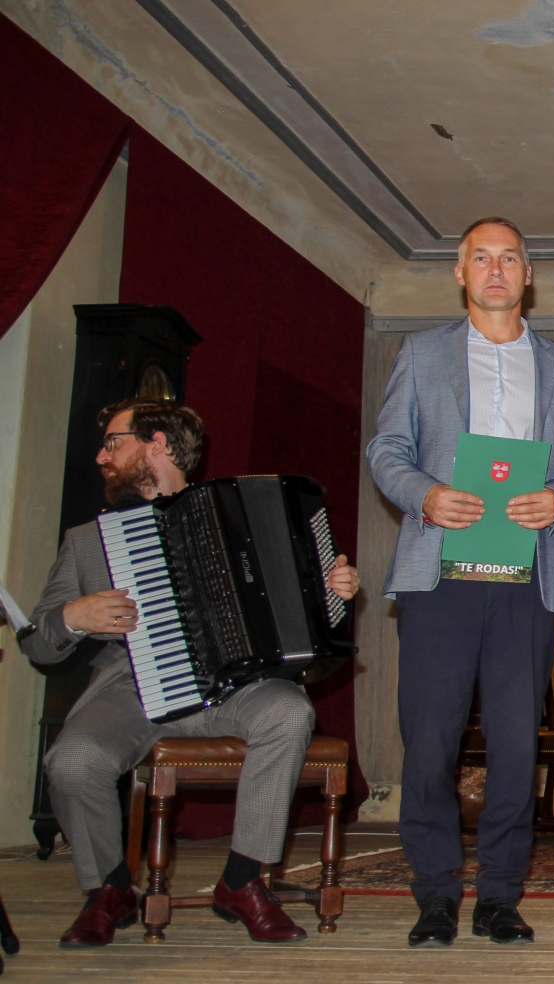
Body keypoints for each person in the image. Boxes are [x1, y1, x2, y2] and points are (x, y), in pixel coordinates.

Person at [26, 398, 359, 947]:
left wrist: (335, 595)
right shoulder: (86, 541)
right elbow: (40, 641)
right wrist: (72, 616)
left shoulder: (239, 517)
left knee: (288, 711)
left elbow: (312, 625)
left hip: (234, 686)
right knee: (72, 759)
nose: (101, 457)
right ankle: (109, 889)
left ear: (157, 444)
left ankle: (242, 880)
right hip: (131, 687)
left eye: (113, 443)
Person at [368, 217, 554, 947]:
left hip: (527, 578)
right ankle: (435, 895)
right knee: (429, 743)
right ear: (460, 273)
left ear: (528, 274)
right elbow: (387, 450)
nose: (495, 270)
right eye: (481, 258)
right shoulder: (421, 353)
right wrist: (426, 495)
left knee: (516, 747)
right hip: (440, 574)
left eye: (509, 259)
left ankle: (499, 896)